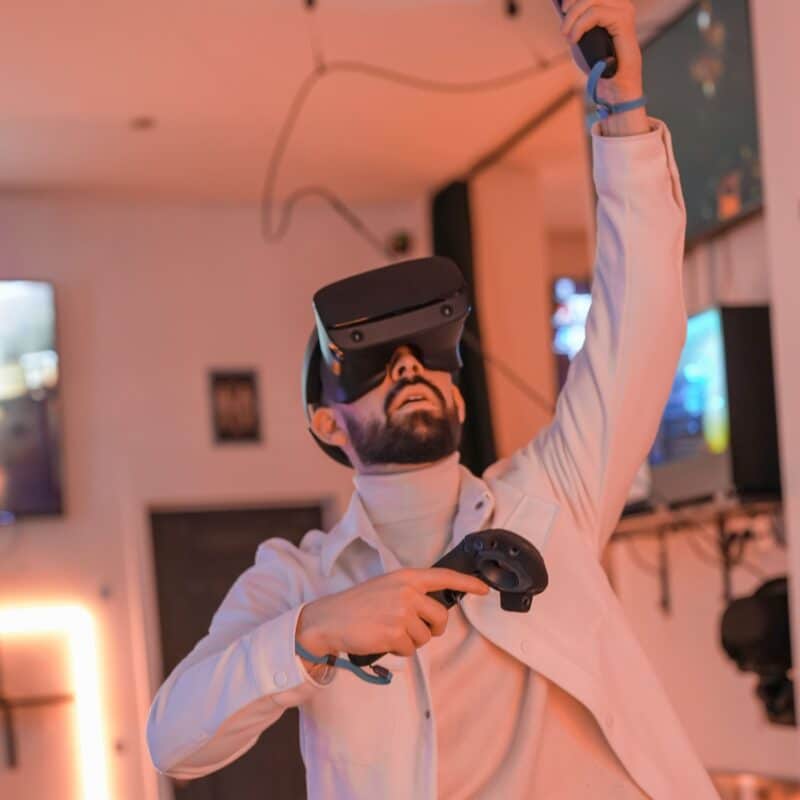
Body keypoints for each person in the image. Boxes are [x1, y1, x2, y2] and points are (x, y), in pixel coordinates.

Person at [147, 1, 720, 797]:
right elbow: (172, 742)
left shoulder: (551, 499)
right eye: (374, 364)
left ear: (457, 389)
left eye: (426, 353)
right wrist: (316, 631)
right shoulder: (297, 581)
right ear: (326, 422)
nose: (408, 368)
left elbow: (641, 325)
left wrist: (622, 115)